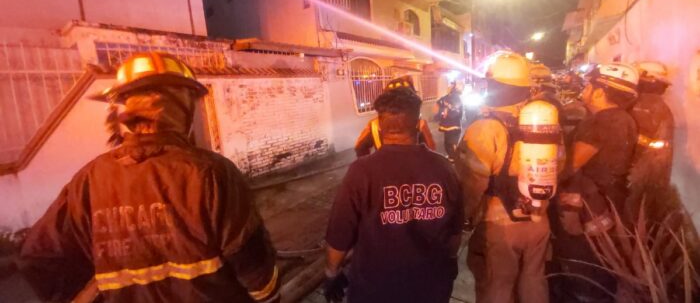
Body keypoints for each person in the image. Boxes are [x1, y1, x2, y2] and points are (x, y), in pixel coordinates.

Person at [18, 52, 280, 303]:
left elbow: (39, 256)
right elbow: (254, 266)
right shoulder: (211, 173)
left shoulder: (89, 179)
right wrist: (270, 297)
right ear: (182, 108)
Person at [324, 88, 463, 303]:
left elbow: (340, 234)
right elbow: (455, 230)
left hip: (376, 288)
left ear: (379, 126)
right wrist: (451, 258)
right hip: (431, 285)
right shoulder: (444, 168)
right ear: (418, 123)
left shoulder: (361, 172)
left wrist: (331, 273)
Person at [456, 52, 554, 303]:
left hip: (500, 224)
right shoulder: (543, 123)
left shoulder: (484, 128)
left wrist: (461, 219)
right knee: (534, 281)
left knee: (497, 285)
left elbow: (471, 184)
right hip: (540, 218)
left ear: (493, 86)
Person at [551, 63, 639, 303]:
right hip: (609, 205)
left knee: (582, 270)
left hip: (588, 209)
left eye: (590, 84)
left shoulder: (602, 122)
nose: (586, 87)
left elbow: (569, 166)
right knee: (600, 268)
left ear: (601, 92)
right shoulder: (625, 120)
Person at [626, 61, 674, 222]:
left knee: (632, 209)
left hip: (642, 167)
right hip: (653, 168)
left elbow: (643, 140)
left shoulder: (644, 104)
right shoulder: (659, 105)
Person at [354, 75, 435, 156]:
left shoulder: (374, 125)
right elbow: (431, 151)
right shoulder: (419, 123)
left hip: (382, 166)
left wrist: (369, 163)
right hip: (413, 166)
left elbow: (360, 148)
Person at [436, 80, 464, 161]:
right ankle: (451, 157)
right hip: (447, 125)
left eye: (450, 85)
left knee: (452, 143)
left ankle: (455, 159)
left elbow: (456, 111)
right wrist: (441, 111)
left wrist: (447, 111)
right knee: (447, 143)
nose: (448, 87)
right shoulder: (447, 97)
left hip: (453, 125)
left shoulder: (456, 98)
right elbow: (439, 103)